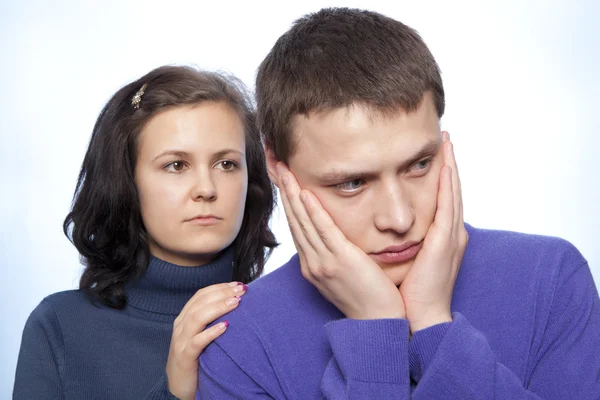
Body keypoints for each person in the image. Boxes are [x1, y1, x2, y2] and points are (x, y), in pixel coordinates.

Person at [197, 7, 600, 399]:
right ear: (276, 166)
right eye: (352, 183)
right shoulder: (238, 346)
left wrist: (433, 328)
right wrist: (377, 332)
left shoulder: (550, 280)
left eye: (419, 165)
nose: (400, 217)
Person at [13, 65, 277, 400]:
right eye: (176, 165)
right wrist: (174, 392)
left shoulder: (285, 320)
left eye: (226, 164)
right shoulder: (60, 328)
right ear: (126, 182)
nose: (206, 189)